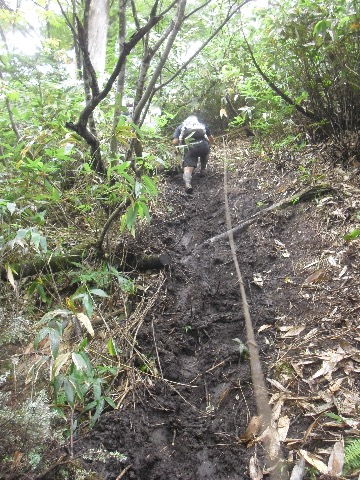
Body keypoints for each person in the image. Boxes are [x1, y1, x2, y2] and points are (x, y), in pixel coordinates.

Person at [173, 114, 214, 194]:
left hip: (190, 148)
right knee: (205, 151)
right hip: (203, 146)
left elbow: (175, 141)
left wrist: (178, 147)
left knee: (188, 168)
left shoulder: (181, 126)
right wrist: (208, 145)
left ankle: (188, 183)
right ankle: (203, 170)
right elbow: (211, 139)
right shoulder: (202, 125)